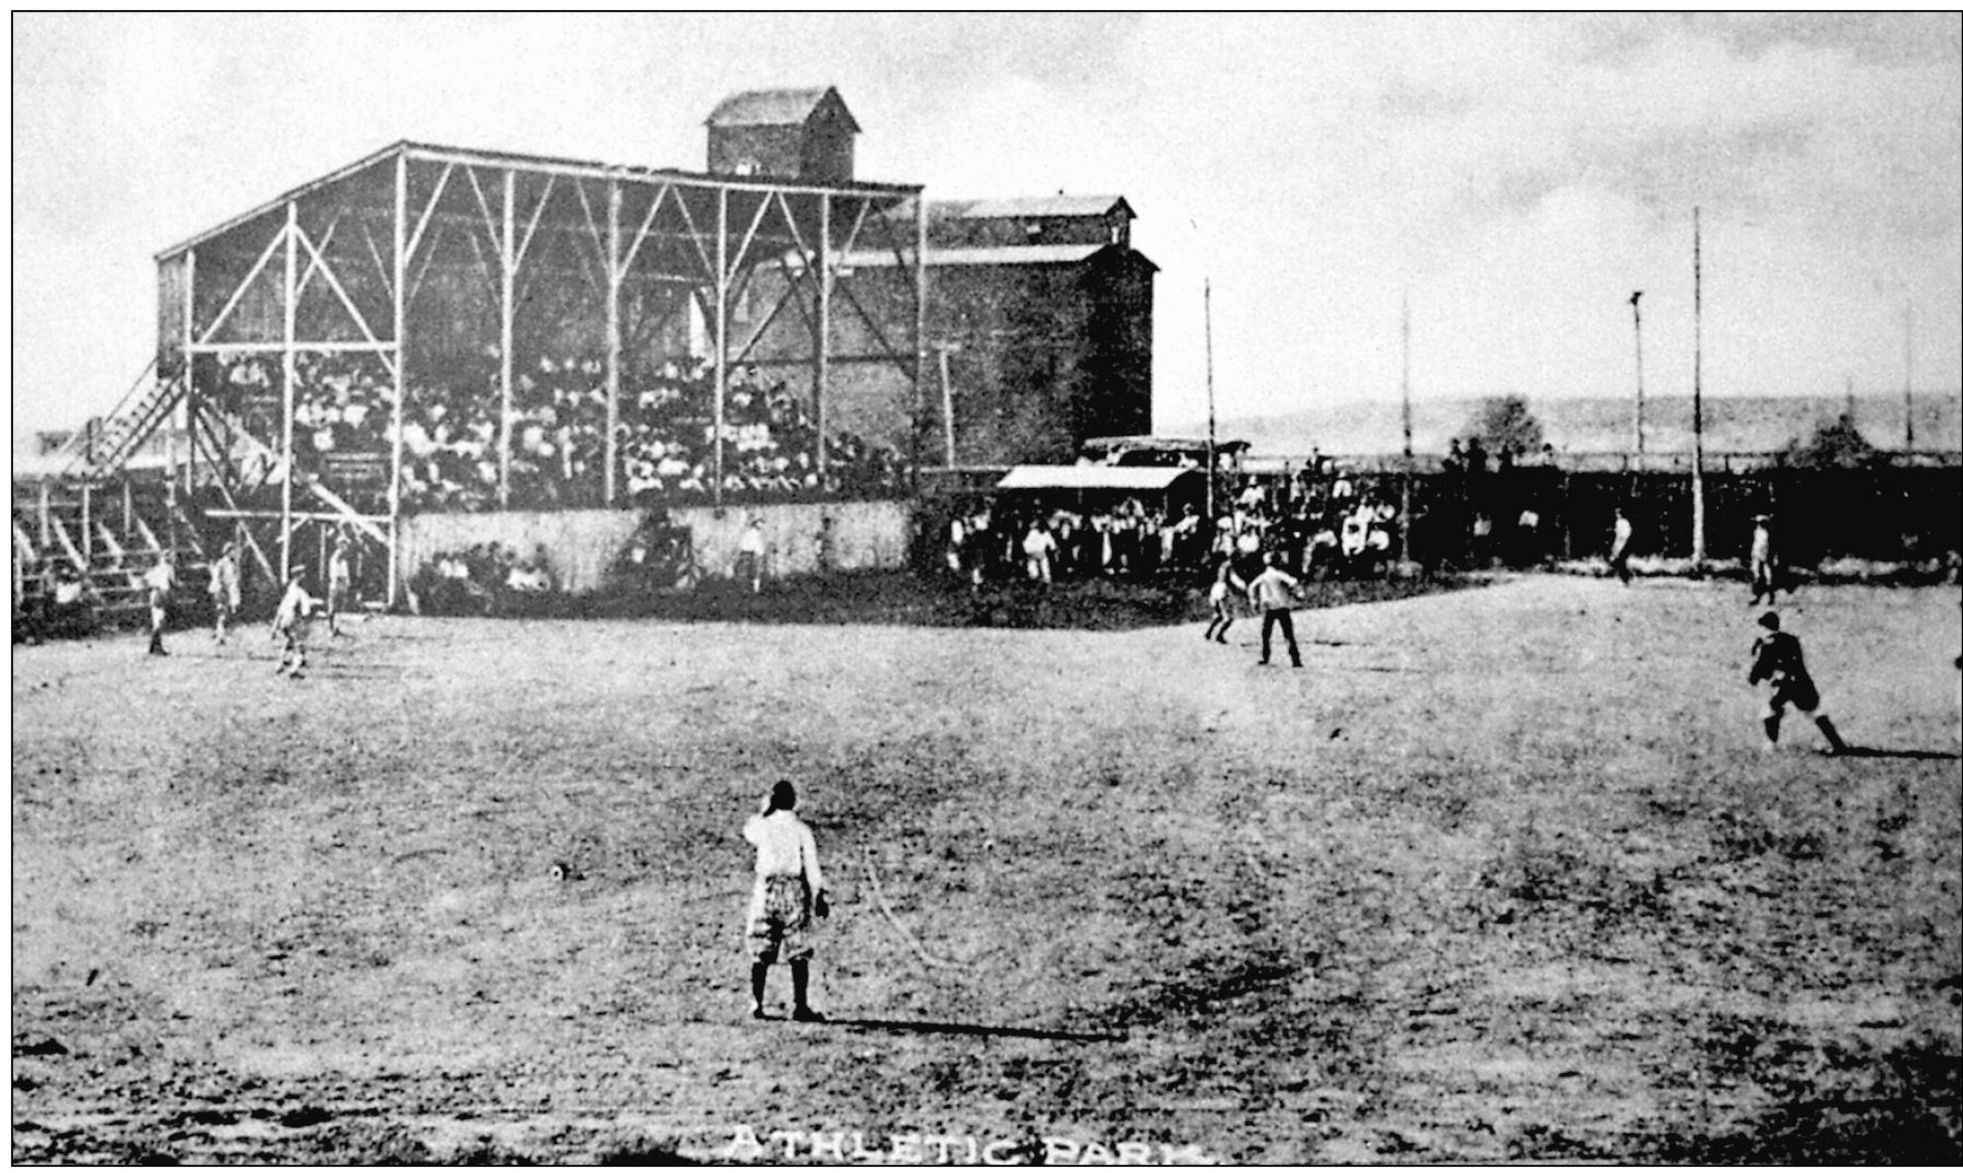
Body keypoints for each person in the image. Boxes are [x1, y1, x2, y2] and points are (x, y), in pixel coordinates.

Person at [743, 780, 830, 1022]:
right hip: (793, 889)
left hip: (767, 888)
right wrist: (819, 893)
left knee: (761, 945)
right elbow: (811, 865)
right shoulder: (801, 829)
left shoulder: (763, 826)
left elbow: (748, 832)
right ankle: (799, 1005)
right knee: (798, 948)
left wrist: (764, 811)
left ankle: (756, 1002)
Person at [1748, 611, 1847, 754]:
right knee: (1814, 711)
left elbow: (1763, 667)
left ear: (1763, 627)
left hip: (1781, 684)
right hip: (1800, 681)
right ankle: (1838, 744)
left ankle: (1771, 745)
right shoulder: (1791, 639)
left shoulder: (1767, 644)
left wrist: (1754, 676)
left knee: (1770, 711)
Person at [1247, 552, 1304, 668]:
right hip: (1282, 606)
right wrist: (1299, 594)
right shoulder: (1279, 574)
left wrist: (1254, 601)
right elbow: (1293, 582)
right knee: (1288, 634)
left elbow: (1251, 587)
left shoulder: (1263, 576)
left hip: (1268, 607)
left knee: (1266, 634)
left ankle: (1265, 657)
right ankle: (1295, 659)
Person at [271, 569, 320, 678]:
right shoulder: (300, 592)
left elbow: (280, 610)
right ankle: (294, 670)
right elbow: (305, 611)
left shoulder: (289, 592)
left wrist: (274, 628)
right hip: (294, 619)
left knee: (288, 641)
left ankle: (279, 665)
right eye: (301, 576)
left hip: (284, 621)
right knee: (299, 646)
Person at [1203, 554, 1247, 645]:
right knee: (1228, 618)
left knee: (1219, 615)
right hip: (1222, 591)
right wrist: (1243, 585)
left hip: (1215, 589)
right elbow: (1233, 578)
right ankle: (1219, 636)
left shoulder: (1222, 565)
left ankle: (1208, 632)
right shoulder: (1229, 566)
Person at [143, 551, 176, 657]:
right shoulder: (165, 568)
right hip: (159, 594)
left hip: (160, 593)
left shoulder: (161, 568)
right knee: (159, 621)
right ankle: (156, 647)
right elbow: (171, 581)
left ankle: (154, 647)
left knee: (159, 621)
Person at [208, 540, 242, 644]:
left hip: (229, 591)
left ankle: (220, 635)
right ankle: (219, 637)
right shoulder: (222, 563)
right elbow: (217, 577)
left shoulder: (234, 564)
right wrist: (222, 588)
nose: (235, 553)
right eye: (233, 551)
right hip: (221, 590)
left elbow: (236, 577)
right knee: (222, 613)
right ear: (228, 552)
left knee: (226, 614)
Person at [326, 536, 353, 637]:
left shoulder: (343, 559)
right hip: (336, 584)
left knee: (339, 608)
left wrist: (346, 583)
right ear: (340, 545)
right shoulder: (336, 557)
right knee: (333, 607)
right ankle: (331, 629)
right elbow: (337, 574)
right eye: (344, 544)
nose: (346, 547)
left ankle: (337, 628)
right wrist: (342, 581)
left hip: (342, 585)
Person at [1748, 513, 1777, 606]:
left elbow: (1770, 547)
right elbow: (1755, 545)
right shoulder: (1757, 532)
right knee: (1756, 576)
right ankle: (1757, 597)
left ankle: (1771, 597)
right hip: (1757, 556)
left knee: (1768, 576)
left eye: (1761, 523)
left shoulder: (1768, 533)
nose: (1759, 525)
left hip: (1765, 556)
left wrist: (1772, 557)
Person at [735, 516, 766, 594]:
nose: (761, 526)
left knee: (753, 572)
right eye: (759, 524)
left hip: (753, 553)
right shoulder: (751, 533)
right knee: (746, 572)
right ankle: (747, 590)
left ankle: (753, 590)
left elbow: (759, 546)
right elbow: (751, 544)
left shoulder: (756, 534)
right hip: (748, 553)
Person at [1022, 519, 1057, 585]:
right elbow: (1026, 543)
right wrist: (1029, 551)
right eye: (1041, 527)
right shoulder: (1033, 533)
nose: (1042, 529)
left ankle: (1046, 579)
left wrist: (1053, 548)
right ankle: (1033, 578)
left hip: (1041, 553)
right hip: (1033, 552)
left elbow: (1051, 542)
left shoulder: (1046, 533)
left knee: (1045, 566)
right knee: (1033, 570)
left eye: (1044, 527)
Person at [1608, 507, 1634, 586]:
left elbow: (1623, 535)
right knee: (1619, 562)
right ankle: (1626, 576)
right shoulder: (1622, 522)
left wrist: (1618, 546)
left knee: (1620, 561)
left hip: (1624, 543)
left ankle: (1626, 577)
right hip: (1623, 543)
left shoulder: (1622, 522)